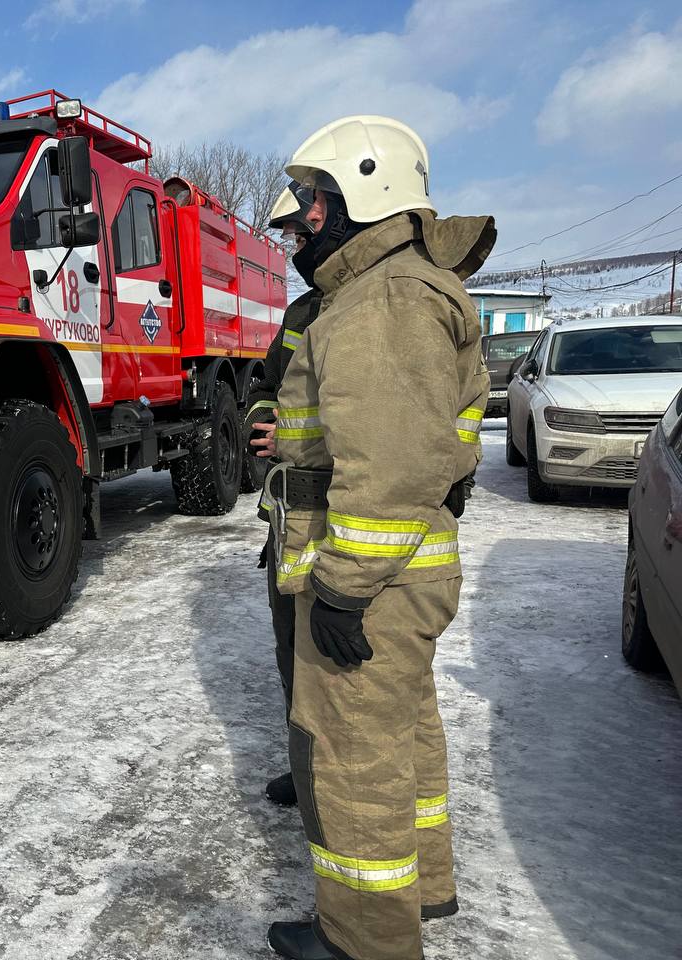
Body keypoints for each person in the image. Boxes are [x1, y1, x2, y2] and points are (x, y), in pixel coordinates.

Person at [261, 116, 494, 960]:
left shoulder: (383, 300)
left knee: (355, 760)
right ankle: (423, 891)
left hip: (375, 582)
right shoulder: (402, 287)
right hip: (406, 574)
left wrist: (341, 588)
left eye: (316, 204)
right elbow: (439, 439)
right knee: (402, 739)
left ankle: (364, 941)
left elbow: (389, 463)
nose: (304, 223)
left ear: (366, 193)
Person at [248, 185, 322, 807]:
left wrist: (294, 434)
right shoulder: (302, 314)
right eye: (292, 240)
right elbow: (269, 386)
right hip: (287, 522)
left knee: (341, 675)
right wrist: (265, 422)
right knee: (293, 654)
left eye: (301, 236)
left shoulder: (380, 307)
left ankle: (335, 784)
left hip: (343, 520)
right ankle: (306, 771)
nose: (296, 249)